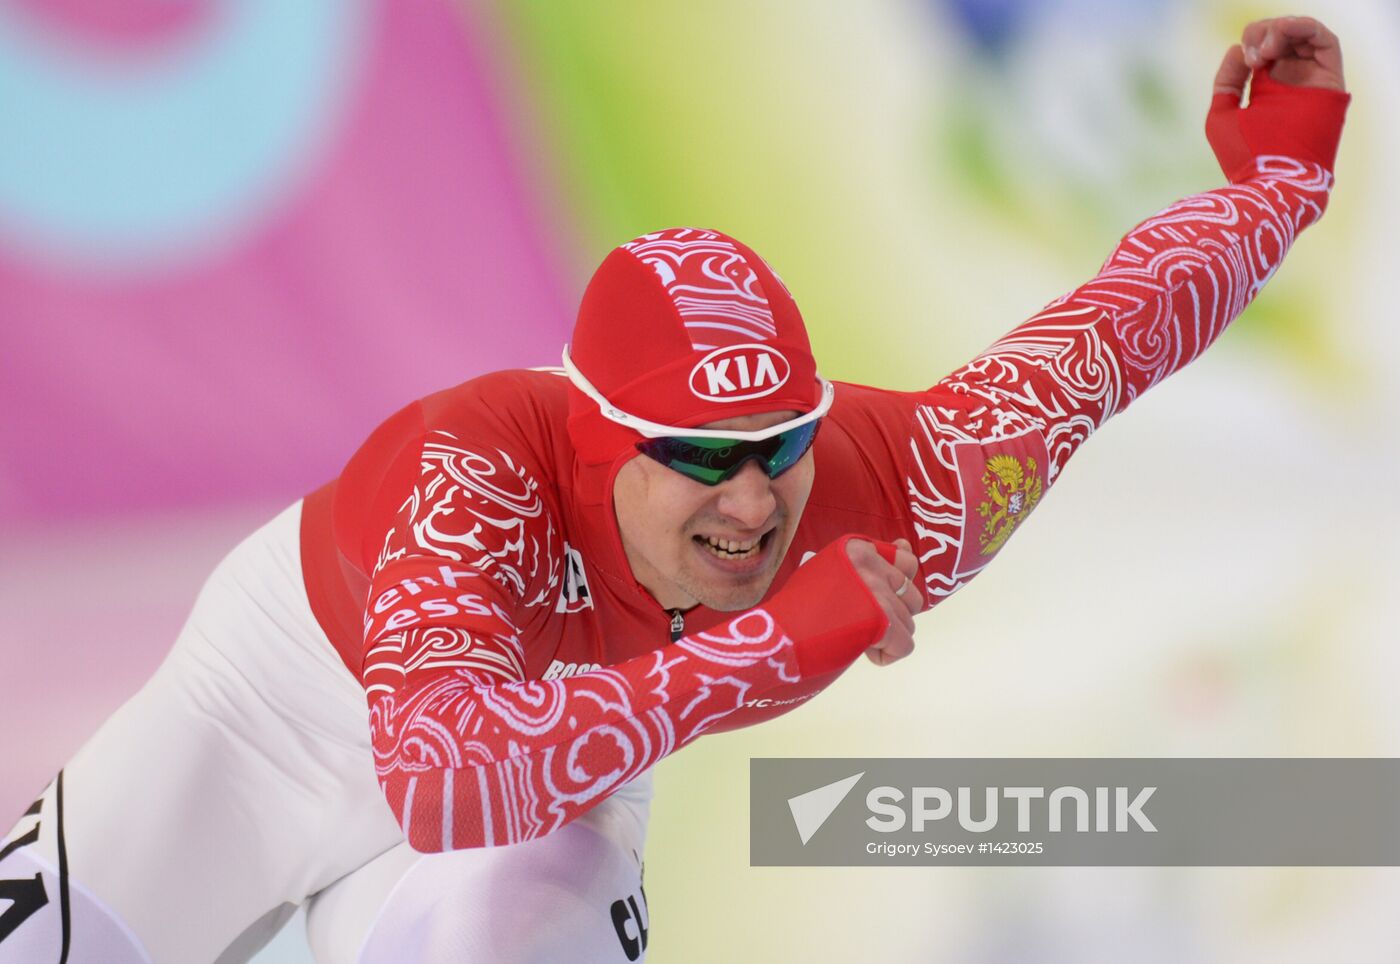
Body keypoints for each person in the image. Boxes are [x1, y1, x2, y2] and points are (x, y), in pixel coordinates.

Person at [0, 15, 1350, 964]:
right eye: (697, 454)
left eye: (782, 441)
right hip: (271, 720)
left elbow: (1111, 337)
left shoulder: (914, 489)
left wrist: (1281, 177)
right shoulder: (469, 468)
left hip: (556, 780)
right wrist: (774, 646)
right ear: (590, 442)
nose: (756, 501)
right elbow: (439, 777)